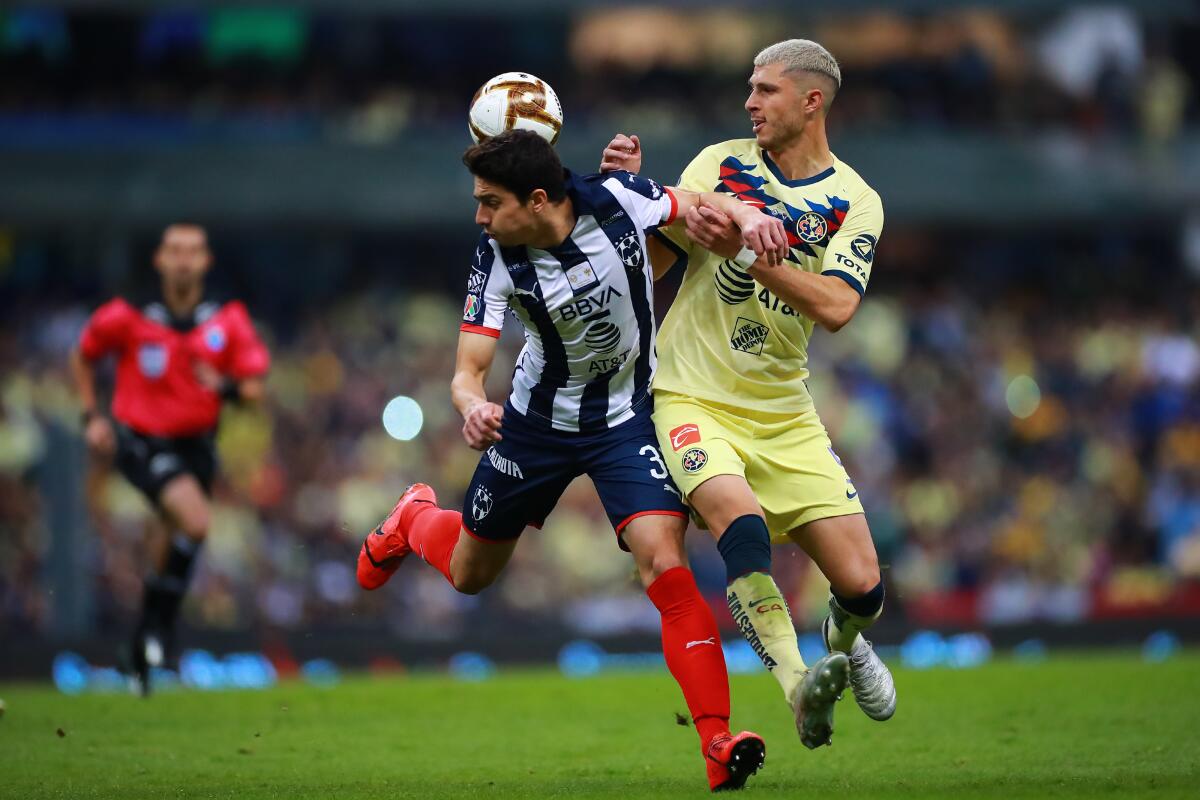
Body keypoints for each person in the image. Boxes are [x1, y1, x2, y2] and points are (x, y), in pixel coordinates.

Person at [355, 130, 790, 791]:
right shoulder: (495, 256)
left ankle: (716, 743)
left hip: (625, 421)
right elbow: (468, 369)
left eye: (488, 202)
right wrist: (472, 405)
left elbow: (702, 202)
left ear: (536, 200)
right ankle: (415, 517)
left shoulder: (619, 197)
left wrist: (751, 214)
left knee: (665, 567)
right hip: (536, 427)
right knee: (471, 575)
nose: (479, 216)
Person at [599, 38, 896, 749]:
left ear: (810, 100)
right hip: (689, 395)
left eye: (765, 90)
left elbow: (835, 306)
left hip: (784, 411)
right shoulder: (716, 165)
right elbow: (656, 263)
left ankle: (843, 637)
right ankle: (799, 687)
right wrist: (632, 206)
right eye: (750, 89)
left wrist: (746, 254)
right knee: (743, 532)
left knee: (864, 586)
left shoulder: (855, 201)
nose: (750, 102)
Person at [70, 223, 269, 695]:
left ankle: (141, 647)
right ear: (159, 260)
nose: (183, 259)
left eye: (192, 251)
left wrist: (221, 385)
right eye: (174, 251)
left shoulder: (227, 319)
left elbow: (254, 388)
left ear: (206, 262)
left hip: (198, 445)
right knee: (197, 523)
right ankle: (161, 632)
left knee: (169, 542)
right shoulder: (130, 314)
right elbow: (83, 355)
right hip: (142, 440)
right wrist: (90, 417)